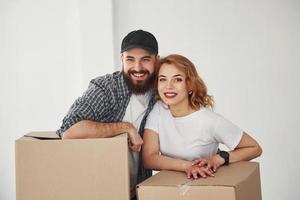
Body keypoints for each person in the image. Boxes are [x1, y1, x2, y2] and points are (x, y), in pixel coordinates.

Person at [57, 30, 159, 199]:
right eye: (130, 59)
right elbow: (69, 132)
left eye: (145, 59)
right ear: (121, 59)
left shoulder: (162, 93)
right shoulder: (106, 88)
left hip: (138, 191)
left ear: (156, 60)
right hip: (99, 190)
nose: (138, 68)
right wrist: (126, 128)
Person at [142, 54, 262, 179]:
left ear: (190, 85)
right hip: (171, 186)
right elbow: (149, 159)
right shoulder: (159, 109)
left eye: (177, 79)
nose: (168, 86)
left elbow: (254, 148)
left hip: (204, 184)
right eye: (163, 79)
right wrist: (187, 166)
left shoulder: (210, 121)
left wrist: (219, 158)